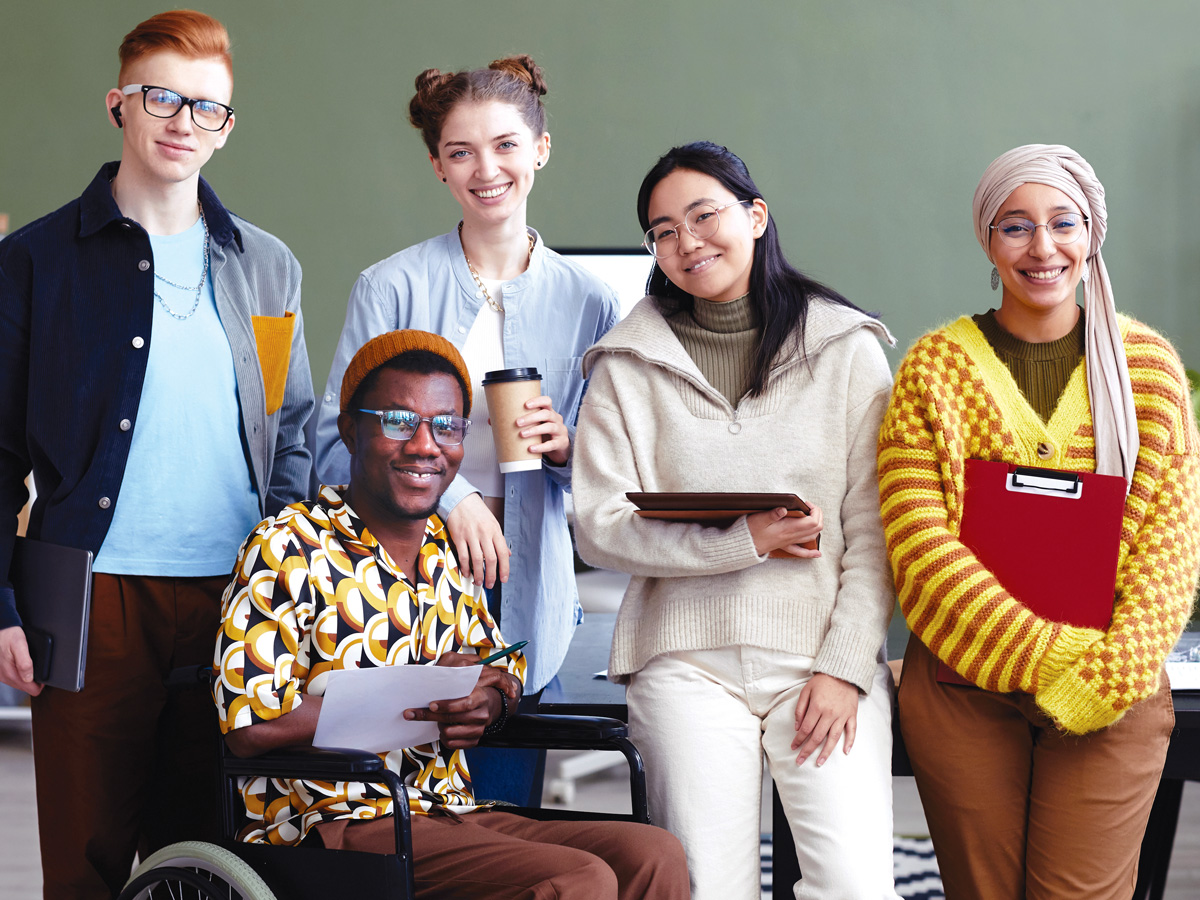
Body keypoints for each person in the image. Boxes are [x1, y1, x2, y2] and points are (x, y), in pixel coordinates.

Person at [0, 11, 313, 899]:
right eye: (161, 98)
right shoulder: (32, 264)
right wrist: (0, 607)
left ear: (227, 127)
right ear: (120, 105)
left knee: (212, 861)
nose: (183, 122)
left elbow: (290, 427)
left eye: (206, 108)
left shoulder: (265, 266)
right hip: (90, 600)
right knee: (87, 860)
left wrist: (277, 567)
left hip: (234, 601)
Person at [214, 330, 689, 900]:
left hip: (448, 811)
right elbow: (249, 726)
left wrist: (484, 703)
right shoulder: (288, 545)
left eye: (446, 426)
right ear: (350, 431)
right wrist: (401, 701)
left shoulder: (444, 551)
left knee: (652, 853)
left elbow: (497, 673)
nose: (424, 445)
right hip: (331, 820)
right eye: (397, 421)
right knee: (578, 880)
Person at [572, 142, 902, 900]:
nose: (686, 243)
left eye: (703, 215)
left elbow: (875, 530)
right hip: (683, 659)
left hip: (819, 658)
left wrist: (846, 668)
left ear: (755, 216)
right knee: (709, 890)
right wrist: (741, 543)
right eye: (662, 231)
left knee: (855, 889)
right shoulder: (625, 363)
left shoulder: (848, 349)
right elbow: (599, 526)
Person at [877, 143, 1200, 899]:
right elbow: (920, 550)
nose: (1042, 247)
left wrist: (1109, 672)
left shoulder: (1149, 370)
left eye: (1063, 223)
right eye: (1015, 226)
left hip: (1111, 685)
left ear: (1091, 236)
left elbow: (1171, 548)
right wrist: (1052, 657)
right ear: (987, 240)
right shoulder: (933, 370)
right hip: (964, 683)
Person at [313, 55, 619, 699]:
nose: (486, 171)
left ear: (539, 149)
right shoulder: (390, 287)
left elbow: (611, 471)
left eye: (505, 145)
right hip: (400, 569)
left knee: (509, 788)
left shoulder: (590, 300)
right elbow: (331, 444)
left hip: (532, 577)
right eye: (460, 152)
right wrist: (457, 502)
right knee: (410, 782)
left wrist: (566, 448)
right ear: (438, 166)